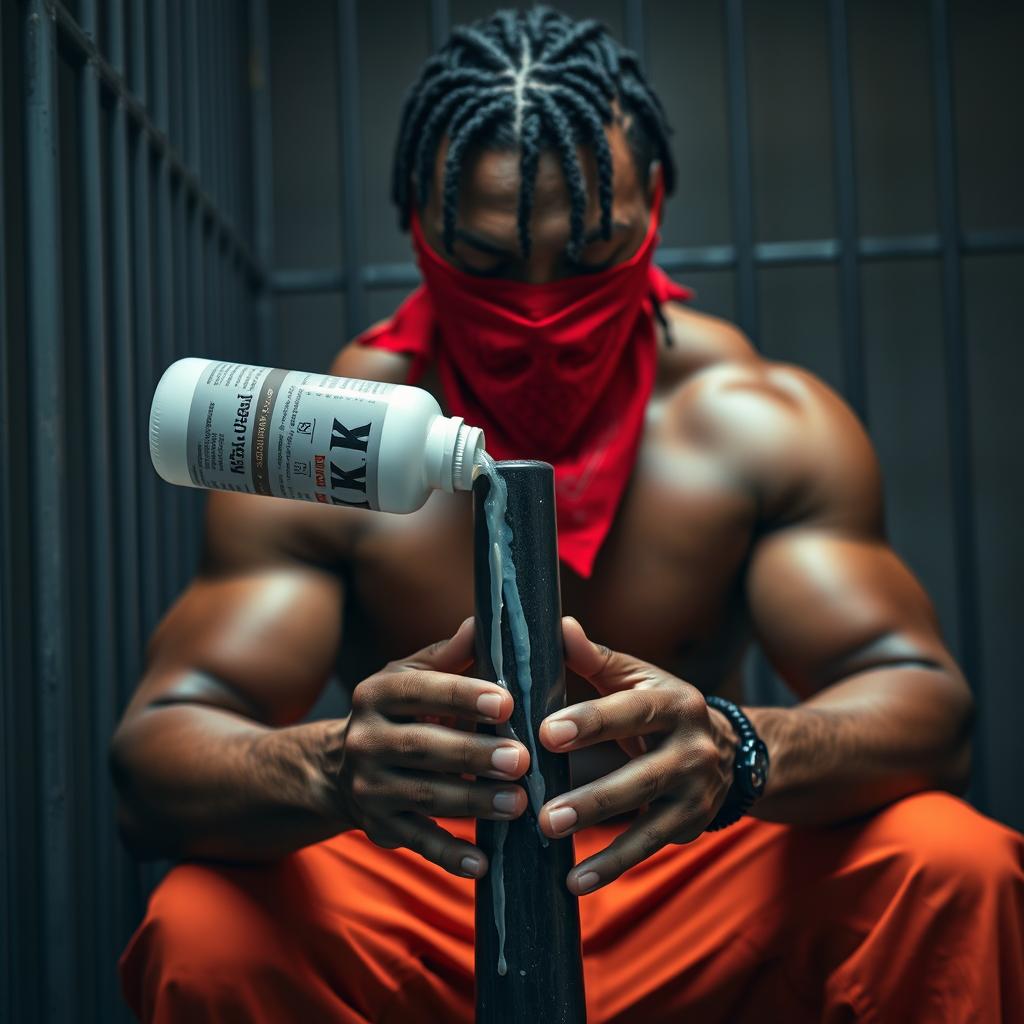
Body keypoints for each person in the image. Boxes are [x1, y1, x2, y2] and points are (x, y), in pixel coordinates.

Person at [114, 7, 1023, 1022]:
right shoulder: (314, 438)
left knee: (951, 864)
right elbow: (154, 760)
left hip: (685, 876)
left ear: (654, 206)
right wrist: (331, 765)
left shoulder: (759, 423)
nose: (542, 313)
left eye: (590, 258)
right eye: (489, 267)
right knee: (203, 925)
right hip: (430, 885)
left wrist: (737, 748)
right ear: (418, 224)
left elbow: (925, 707)